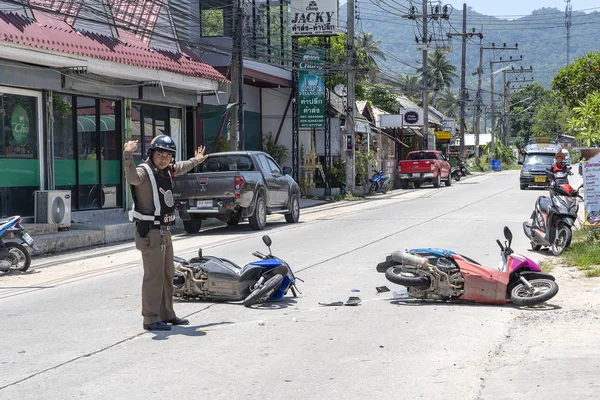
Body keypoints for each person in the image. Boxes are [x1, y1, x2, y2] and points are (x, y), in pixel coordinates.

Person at [123, 135, 208, 331]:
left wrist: (196, 160)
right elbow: (131, 177)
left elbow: (181, 167)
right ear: (151, 154)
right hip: (150, 232)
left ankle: (167, 314)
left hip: (164, 231)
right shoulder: (144, 172)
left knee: (168, 274)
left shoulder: (167, 170)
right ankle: (151, 319)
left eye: (168, 156)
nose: (164, 159)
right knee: (153, 277)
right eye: (160, 154)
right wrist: (128, 154)